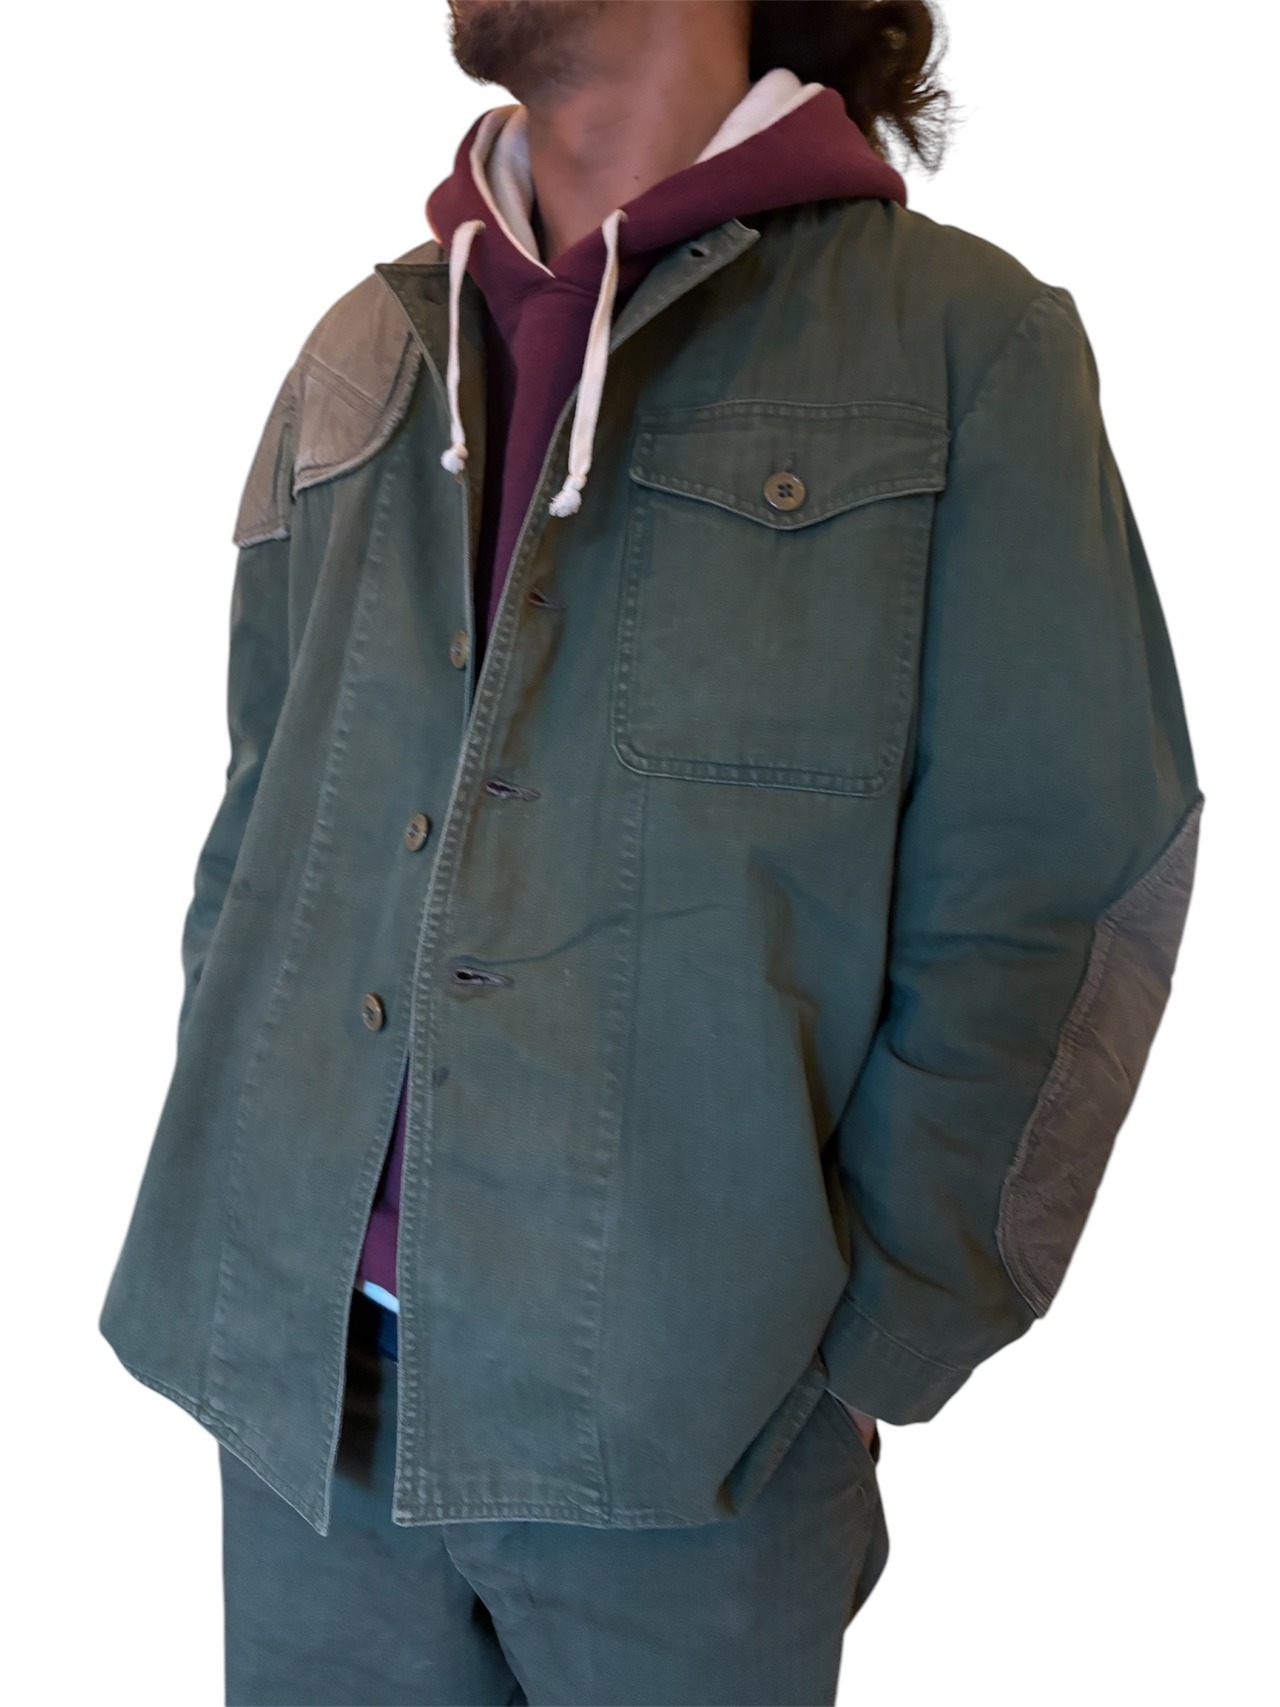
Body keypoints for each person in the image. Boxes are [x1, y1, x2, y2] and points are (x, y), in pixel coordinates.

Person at [99, 3, 1203, 1702]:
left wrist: (874, 1350)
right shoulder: (365, 351)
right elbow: (257, 823)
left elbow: (1065, 888)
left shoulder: (962, 347)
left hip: (697, 1459)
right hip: (300, 1416)